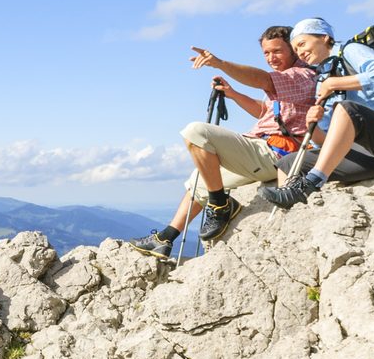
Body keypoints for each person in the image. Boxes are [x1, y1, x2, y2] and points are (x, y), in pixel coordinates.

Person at [130, 26, 317, 258]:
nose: (271, 58)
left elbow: (263, 80)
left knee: (196, 132)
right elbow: (266, 112)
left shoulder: (302, 76)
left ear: (294, 50)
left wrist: (220, 64)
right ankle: (166, 238)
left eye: (277, 51)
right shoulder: (287, 83)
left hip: (274, 152)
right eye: (266, 53)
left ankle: (220, 206)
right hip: (264, 153)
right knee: (198, 179)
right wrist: (233, 93)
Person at [260, 18, 374, 208]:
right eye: (295, 50)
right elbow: (327, 142)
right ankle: (289, 208)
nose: (300, 52)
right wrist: (312, 124)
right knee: (289, 162)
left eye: (302, 44)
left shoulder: (351, 50)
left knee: (347, 109)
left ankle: (310, 184)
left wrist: (335, 83)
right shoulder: (323, 78)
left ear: (324, 37)